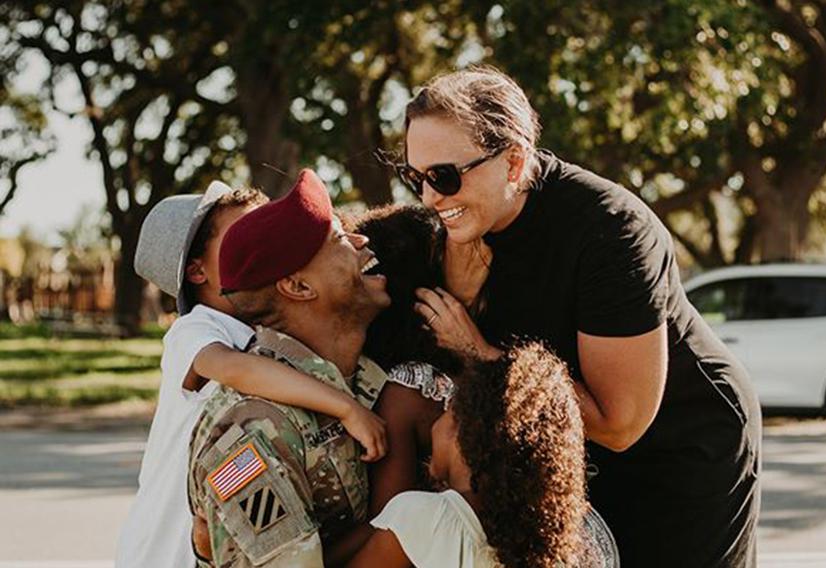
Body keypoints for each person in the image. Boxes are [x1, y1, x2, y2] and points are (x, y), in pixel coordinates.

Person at [396, 66, 762, 567]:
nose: (429, 197)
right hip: (576, 459)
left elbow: (620, 424)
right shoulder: (457, 227)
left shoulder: (610, 232)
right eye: (414, 177)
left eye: (444, 176)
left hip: (681, 448)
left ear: (514, 161)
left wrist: (476, 351)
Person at [117, 181, 387, 568]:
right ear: (197, 271)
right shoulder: (196, 328)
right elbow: (232, 368)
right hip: (164, 551)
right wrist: (344, 407)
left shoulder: (261, 333)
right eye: (238, 235)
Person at [348, 342, 614, 568]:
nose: (434, 427)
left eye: (446, 413)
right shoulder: (566, 546)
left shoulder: (431, 516)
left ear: (464, 431)